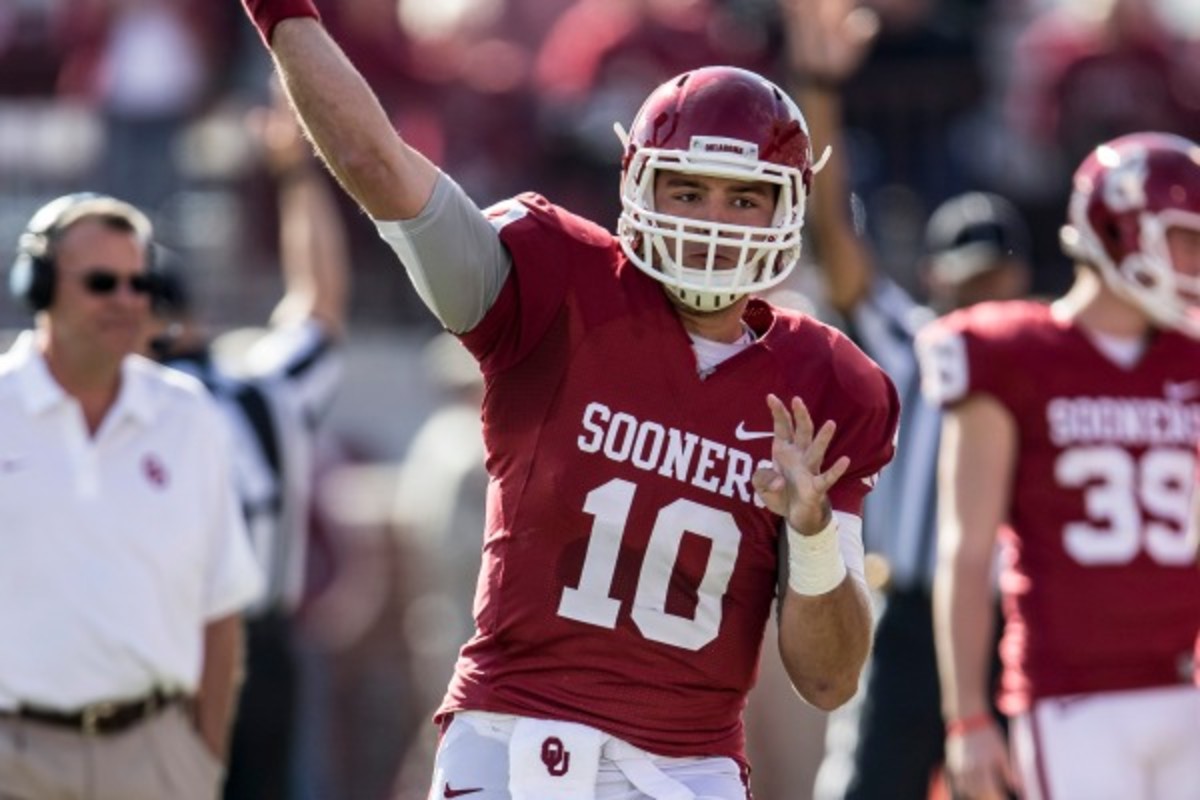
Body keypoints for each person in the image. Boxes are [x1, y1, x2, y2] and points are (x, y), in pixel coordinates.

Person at [236, 1, 901, 797]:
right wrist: (283, 14)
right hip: (515, 738)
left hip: (690, 768)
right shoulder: (554, 282)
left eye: (741, 197)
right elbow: (376, 162)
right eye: (687, 192)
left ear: (786, 207)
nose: (712, 224)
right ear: (637, 184)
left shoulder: (828, 385)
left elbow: (828, 682)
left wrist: (814, 531)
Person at [777, 3, 1030, 798]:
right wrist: (820, 91)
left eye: (992, 281)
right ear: (933, 281)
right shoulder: (912, 342)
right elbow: (831, 235)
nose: (977, 298)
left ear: (1020, 282)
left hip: (1010, 619)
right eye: (964, 282)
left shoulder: (1044, 356)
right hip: (909, 614)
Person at [916, 131, 1200, 800]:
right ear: (1116, 229)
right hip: (1071, 696)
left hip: (1184, 684)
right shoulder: (1013, 352)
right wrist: (967, 718)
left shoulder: (1190, 358)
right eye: (1184, 237)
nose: (1194, 260)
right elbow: (965, 549)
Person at [0, 192, 263, 799]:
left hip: (155, 756)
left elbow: (220, 609)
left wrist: (200, 760)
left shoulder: (189, 414)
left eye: (139, 283)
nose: (126, 301)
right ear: (37, 285)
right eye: (101, 282)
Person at [148, 88, 349, 800]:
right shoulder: (256, 396)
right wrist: (296, 173)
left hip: (152, 648)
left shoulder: (90, 410)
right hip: (255, 648)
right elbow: (320, 306)